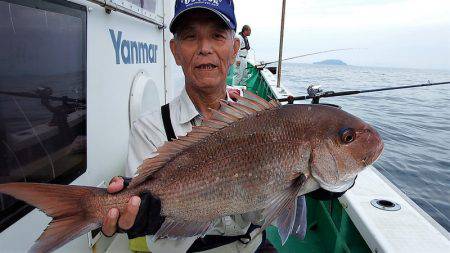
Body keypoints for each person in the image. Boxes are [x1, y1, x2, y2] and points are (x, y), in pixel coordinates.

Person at [101, 1, 354, 252]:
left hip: (252, 245)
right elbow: (141, 202)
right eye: (191, 37)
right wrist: (139, 212)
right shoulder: (149, 129)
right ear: (175, 51)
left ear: (234, 49)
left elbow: (322, 178)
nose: (204, 48)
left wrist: (333, 185)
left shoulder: (263, 120)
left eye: (217, 36)